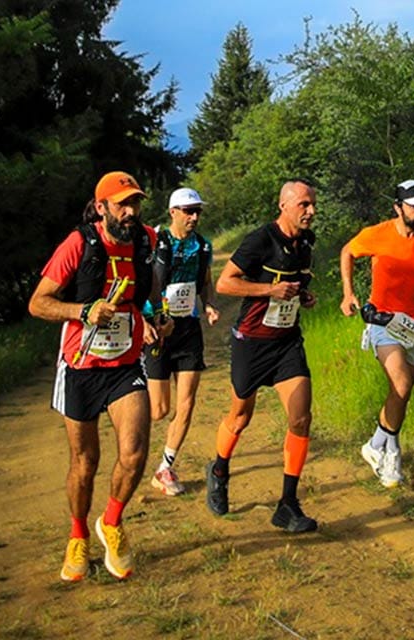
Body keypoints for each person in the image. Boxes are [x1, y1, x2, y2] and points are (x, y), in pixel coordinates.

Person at [27, 171, 172, 582]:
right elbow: (38, 304)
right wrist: (82, 311)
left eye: (135, 203)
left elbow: (150, 285)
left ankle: (111, 521)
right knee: (85, 461)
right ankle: (78, 537)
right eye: (122, 204)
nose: (130, 212)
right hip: (80, 366)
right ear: (102, 206)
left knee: (135, 450)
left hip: (125, 364)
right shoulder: (80, 243)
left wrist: (156, 315)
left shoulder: (145, 239)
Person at [205, 179, 320, 533]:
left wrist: (303, 296)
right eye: (303, 204)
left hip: (286, 343)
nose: (311, 211)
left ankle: (287, 504)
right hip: (251, 342)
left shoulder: (306, 243)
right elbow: (225, 283)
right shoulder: (260, 239)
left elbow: (296, 283)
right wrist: (269, 289)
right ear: (283, 205)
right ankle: (220, 469)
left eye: (313, 204)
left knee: (301, 419)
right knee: (240, 417)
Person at [339, 179, 414, 488]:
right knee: (400, 381)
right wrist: (348, 294)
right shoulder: (377, 234)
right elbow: (347, 251)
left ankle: (387, 449)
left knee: (402, 393)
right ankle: (377, 446)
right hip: (382, 320)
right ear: (398, 207)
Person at [144, 187, 221, 496]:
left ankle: (165, 467)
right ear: (173, 212)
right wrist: (145, 319)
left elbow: (205, 282)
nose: (194, 216)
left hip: (188, 327)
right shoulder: (155, 242)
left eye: (198, 211)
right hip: (158, 328)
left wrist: (210, 304)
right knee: (158, 410)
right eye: (188, 211)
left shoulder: (203, 246)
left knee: (187, 402)